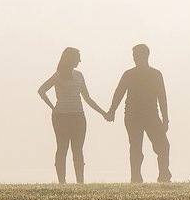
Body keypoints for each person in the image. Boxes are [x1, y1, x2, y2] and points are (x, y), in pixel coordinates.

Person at [35, 47, 111, 184]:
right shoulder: (58, 75)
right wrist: (53, 107)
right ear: (70, 59)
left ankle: (80, 182)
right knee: (62, 148)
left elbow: (87, 98)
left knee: (77, 149)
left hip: (78, 116)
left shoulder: (79, 75)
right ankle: (62, 182)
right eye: (78, 57)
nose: (80, 60)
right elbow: (41, 90)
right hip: (61, 117)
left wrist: (103, 113)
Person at [108, 43, 171, 184]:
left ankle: (164, 175)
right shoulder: (129, 74)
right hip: (132, 116)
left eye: (137, 56)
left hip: (151, 116)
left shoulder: (156, 74)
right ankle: (136, 177)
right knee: (136, 146)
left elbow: (162, 97)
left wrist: (165, 119)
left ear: (146, 56)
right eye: (134, 56)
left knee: (163, 146)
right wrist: (112, 111)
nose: (135, 59)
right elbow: (119, 93)